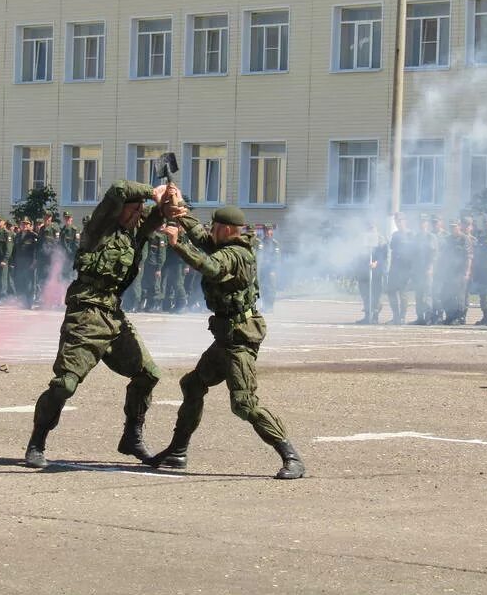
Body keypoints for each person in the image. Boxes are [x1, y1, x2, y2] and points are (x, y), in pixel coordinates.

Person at [146, 202, 304, 480]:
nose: (211, 231)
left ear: (227, 230)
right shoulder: (226, 244)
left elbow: (210, 266)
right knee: (193, 385)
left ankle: (291, 456)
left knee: (244, 403)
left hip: (240, 339)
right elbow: (202, 237)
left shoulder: (235, 255)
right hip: (226, 338)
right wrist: (181, 213)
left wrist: (177, 245)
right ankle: (178, 451)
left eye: (215, 227)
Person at [24, 180, 171, 469]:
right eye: (134, 208)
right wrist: (151, 191)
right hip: (85, 313)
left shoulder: (134, 235)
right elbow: (117, 189)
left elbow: (160, 215)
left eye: (141, 210)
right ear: (121, 210)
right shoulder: (100, 228)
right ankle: (37, 440)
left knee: (148, 374)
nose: (138, 214)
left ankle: (132, 436)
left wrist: (168, 200)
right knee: (65, 384)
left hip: (113, 314)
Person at [354, 220, 387, 324]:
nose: (371, 230)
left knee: (376, 294)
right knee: (365, 294)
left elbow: (384, 255)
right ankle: (367, 315)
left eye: (372, 228)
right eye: (369, 228)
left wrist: (376, 263)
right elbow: (358, 254)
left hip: (377, 271)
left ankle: (375, 316)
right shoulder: (362, 239)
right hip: (364, 270)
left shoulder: (381, 240)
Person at [385, 213, 415, 324]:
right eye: (396, 221)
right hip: (395, 268)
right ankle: (396, 316)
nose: (398, 223)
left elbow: (414, 253)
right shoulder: (395, 235)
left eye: (400, 220)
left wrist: (412, 270)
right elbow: (393, 250)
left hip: (406, 268)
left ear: (405, 221)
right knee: (391, 291)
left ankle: (402, 317)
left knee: (403, 294)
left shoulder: (411, 234)